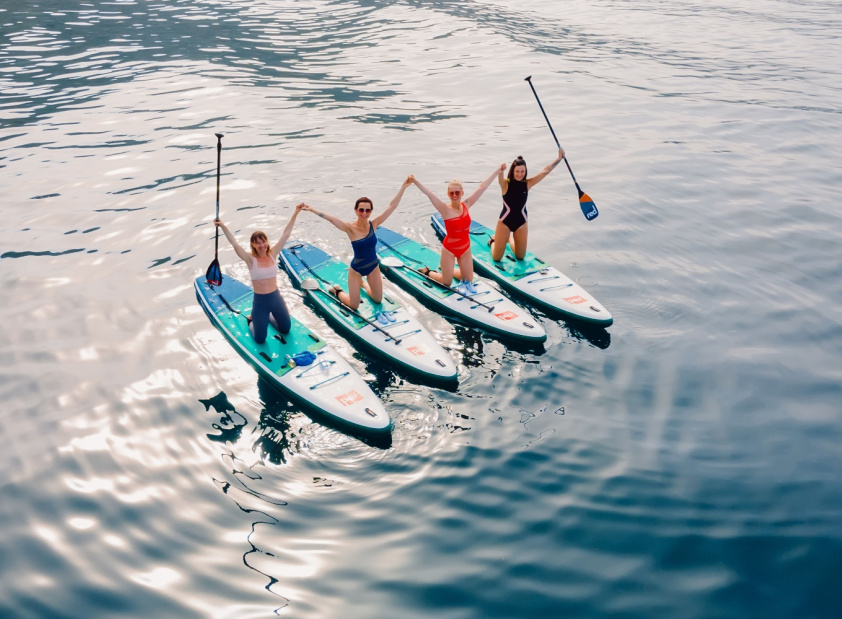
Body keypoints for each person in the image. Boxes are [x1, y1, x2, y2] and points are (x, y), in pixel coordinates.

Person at [301, 176, 413, 311]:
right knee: (353, 306)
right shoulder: (350, 228)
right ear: (356, 210)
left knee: (378, 300)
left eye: (367, 210)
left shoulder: (374, 224)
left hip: (373, 267)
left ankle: (364, 285)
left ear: (371, 211)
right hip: (356, 270)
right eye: (361, 210)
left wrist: (403, 187)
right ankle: (337, 291)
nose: (364, 213)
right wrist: (312, 209)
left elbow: (392, 206)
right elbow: (331, 219)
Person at [213, 204, 303, 344]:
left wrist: (295, 213)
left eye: (263, 241)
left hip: (276, 298)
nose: (262, 245)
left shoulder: (272, 253)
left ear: (267, 242)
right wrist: (223, 226)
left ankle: (267, 318)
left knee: (285, 329)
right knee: (260, 339)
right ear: (253, 245)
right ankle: (252, 321)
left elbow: (285, 234)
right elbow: (235, 244)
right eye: (258, 243)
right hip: (260, 302)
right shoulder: (250, 259)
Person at [411, 164, 506, 293]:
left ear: (462, 193)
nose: (454, 195)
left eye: (457, 192)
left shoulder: (466, 204)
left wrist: (497, 171)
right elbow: (430, 194)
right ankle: (429, 271)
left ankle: (445, 268)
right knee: (446, 282)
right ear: (448, 194)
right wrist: (415, 181)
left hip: (465, 249)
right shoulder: (445, 209)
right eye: (452, 193)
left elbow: (482, 187)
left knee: (468, 280)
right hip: (449, 250)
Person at [489, 149, 565, 262]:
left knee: (520, 256)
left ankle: (509, 239)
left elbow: (545, 171)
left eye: (522, 171)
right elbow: (500, 178)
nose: (520, 174)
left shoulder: (528, 183)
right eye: (517, 171)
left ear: (525, 171)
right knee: (496, 258)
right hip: (504, 223)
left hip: (521, 223)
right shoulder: (505, 184)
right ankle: (493, 242)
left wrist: (559, 159)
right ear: (512, 171)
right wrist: (501, 171)